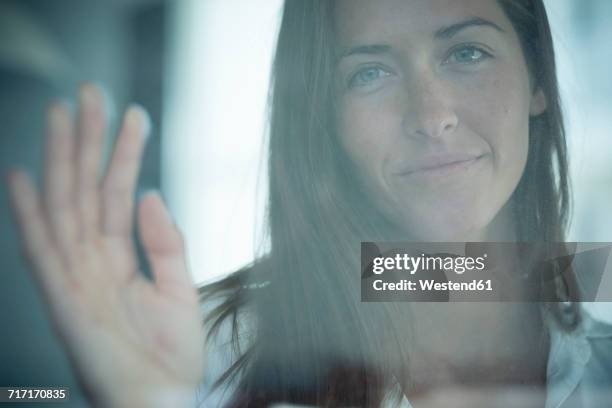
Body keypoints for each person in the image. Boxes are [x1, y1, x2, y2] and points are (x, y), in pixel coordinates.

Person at [6, 0, 612, 407]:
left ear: (537, 78)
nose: (431, 118)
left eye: (467, 53)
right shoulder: (208, 353)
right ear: (325, 118)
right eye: (369, 73)